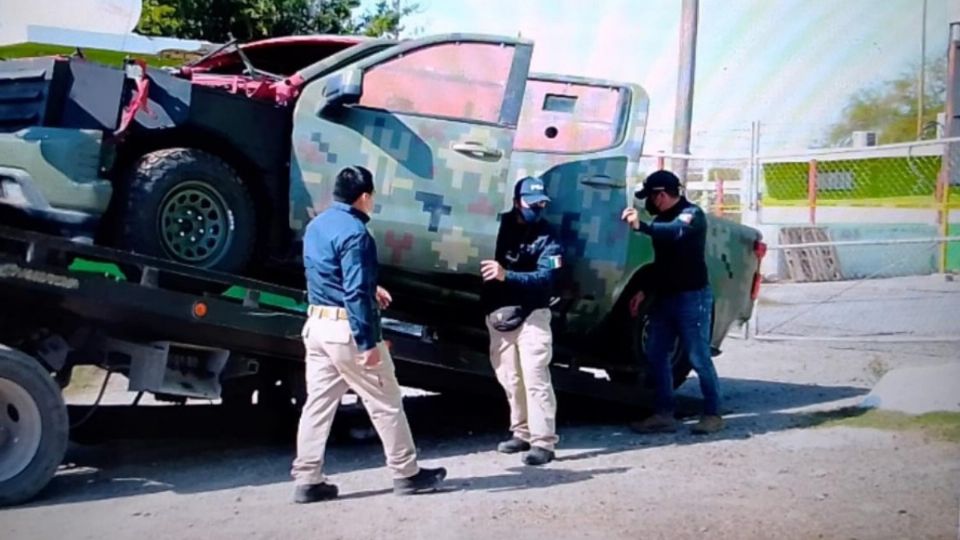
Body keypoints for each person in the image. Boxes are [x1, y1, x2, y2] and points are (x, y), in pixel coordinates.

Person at [291, 165, 447, 503]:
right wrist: (367, 343)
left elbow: (327, 274)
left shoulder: (317, 226)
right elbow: (355, 293)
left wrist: (369, 287)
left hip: (316, 326)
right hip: (347, 329)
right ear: (364, 197)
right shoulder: (357, 234)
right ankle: (407, 474)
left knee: (317, 405)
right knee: (386, 402)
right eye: (372, 197)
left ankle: (307, 479)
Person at [620, 170, 723, 435]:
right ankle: (664, 413)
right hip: (665, 298)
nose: (649, 204)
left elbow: (675, 232)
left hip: (692, 298)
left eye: (651, 198)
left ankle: (713, 414)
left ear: (661, 195)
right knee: (656, 353)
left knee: (698, 356)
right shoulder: (663, 218)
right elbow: (662, 264)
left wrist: (640, 226)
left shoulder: (691, 215)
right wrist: (645, 290)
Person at [480, 176, 563, 466]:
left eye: (541, 204)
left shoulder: (548, 236)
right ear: (517, 202)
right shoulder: (495, 227)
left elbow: (547, 278)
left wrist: (507, 275)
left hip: (533, 314)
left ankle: (543, 443)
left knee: (536, 377)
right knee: (510, 378)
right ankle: (521, 432)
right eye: (532, 203)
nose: (537, 208)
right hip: (500, 314)